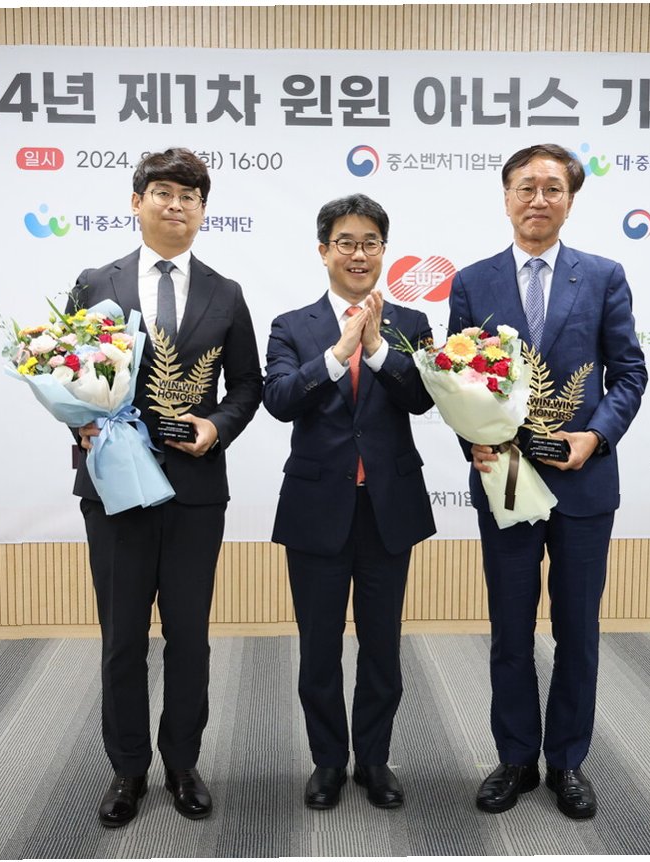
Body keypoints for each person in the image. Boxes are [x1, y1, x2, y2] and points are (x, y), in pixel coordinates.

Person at [447, 144, 647, 819]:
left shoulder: (603, 276)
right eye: (526, 187)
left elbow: (629, 373)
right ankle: (513, 759)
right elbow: (457, 379)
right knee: (509, 627)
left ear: (570, 200)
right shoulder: (472, 282)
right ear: (506, 197)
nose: (539, 199)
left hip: (583, 481)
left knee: (576, 630)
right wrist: (475, 440)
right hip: (504, 477)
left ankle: (566, 761)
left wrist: (596, 435)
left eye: (552, 188)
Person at [65, 147, 263, 828]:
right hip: (115, 490)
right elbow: (66, 370)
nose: (176, 205)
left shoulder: (225, 292)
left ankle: (182, 763)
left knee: (188, 636)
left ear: (203, 211)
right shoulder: (96, 282)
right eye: (163, 192)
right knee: (122, 637)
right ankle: (127, 768)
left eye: (190, 196)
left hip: (194, 491)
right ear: (137, 201)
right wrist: (81, 425)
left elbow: (248, 385)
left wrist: (216, 427)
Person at [263, 194, 436, 811]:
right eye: (345, 242)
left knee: (382, 644)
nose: (358, 254)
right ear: (324, 251)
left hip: (387, 507)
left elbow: (422, 398)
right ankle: (328, 761)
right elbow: (280, 399)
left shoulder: (412, 323)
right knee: (319, 646)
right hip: (317, 508)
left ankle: (375, 759)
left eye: (370, 243)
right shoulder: (292, 325)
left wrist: (379, 346)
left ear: (383, 250)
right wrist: (340, 352)